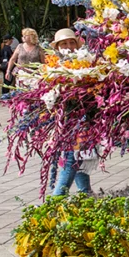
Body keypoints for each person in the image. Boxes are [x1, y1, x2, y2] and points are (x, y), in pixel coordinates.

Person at [48, 29, 93, 197]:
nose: (68, 46)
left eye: (71, 42)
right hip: (65, 123)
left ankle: (85, 194)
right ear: (58, 47)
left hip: (82, 120)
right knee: (71, 160)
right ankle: (56, 201)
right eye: (64, 43)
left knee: (78, 158)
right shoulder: (52, 66)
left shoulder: (86, 63)